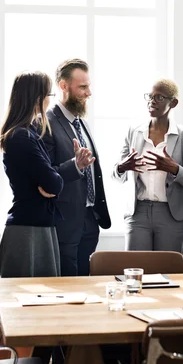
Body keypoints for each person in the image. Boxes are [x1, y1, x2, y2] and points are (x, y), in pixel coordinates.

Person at [112, 79, 183, 253]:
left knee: (168, 271)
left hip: (171, 213)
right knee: (136, 271)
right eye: (150, 97)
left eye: (158, 97)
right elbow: (116, 174)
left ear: (173, 102)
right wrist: (122, 167)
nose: (152, 101)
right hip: (138, 213)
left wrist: (173, 168)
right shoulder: (134, 131)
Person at [0, 71, 66, 278]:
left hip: (37, 225)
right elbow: (54, 183)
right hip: (28, 231)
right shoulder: (22, 137)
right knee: (24, 301)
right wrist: (52, 180)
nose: (49, 101)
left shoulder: (28, 133)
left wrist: (52, 179)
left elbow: (51, 180)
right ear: (37, 98)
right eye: (48, 95)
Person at [43, 59, 111, 277]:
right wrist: (75, 165)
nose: (88, 93)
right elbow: (46, 175)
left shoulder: (81, 123)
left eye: (88, 86)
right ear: (63, 86)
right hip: (65, 221)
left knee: (86, 284)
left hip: (90, 218)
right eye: (82, 87)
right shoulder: (46, 122)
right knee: (68, 286)